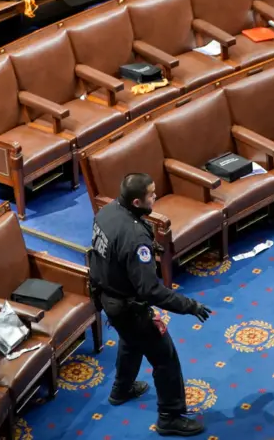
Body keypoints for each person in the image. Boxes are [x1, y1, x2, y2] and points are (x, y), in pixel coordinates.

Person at [88, 173, 212, 437]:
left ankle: (121, 389)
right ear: (136, 201)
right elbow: (151, 290)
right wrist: (189, 305)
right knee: (165, 358)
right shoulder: (135, 238)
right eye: (151, 195)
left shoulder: (107, 211)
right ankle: (170, 416)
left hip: (108, 298)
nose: (155, 197)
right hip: (129, 306)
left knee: (130, 341)